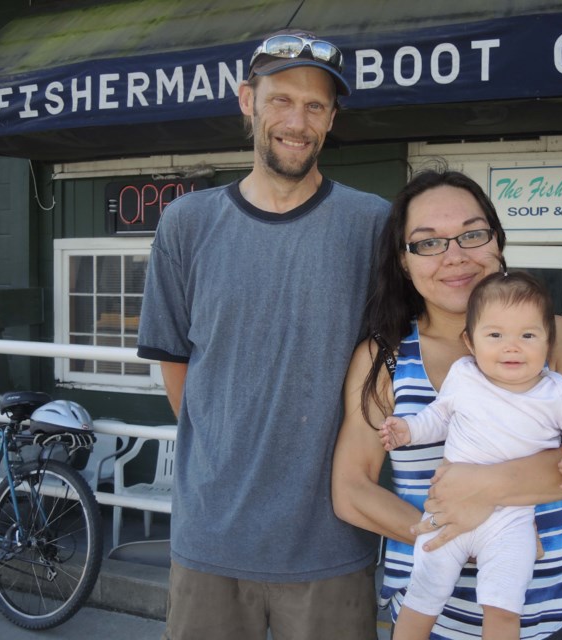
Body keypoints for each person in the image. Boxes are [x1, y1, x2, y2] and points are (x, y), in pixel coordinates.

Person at [137, 28, 390, 640]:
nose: (296, 121)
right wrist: (227, 447)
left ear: (331, 120)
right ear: (247, 100)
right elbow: (176, 366)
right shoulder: (186, 224)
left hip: (332, 540)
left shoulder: (373, 224)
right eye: (281, 99)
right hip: (212, 541)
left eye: (315, 105)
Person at [331, 169, 562, 640]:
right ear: (403, 261)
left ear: (497, 241)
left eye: (472, 234)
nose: (455, 257)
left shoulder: (558, 338)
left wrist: (482, 489)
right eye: (428, 242)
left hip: (537, 617)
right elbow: (351, 491)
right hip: (426, 617)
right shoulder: (384, 355)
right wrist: (451, 535)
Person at [378, 270, 562, 640]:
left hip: (512, 522)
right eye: (495, 335)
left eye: (528, 335)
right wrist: (409, 430)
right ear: (470, 342)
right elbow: (438, 417)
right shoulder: (464, 376)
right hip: (447, 511)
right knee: (422, 599)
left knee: (502, 607)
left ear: (548, 343)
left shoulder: (556, 392)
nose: (512, 346)